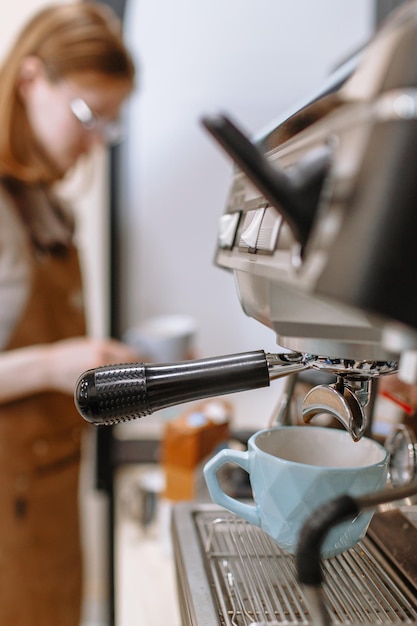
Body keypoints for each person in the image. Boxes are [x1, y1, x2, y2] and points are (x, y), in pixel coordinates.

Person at [0, 3, 138, 624]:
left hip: (49, 503)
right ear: (31, 82)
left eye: (108, 126)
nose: (93, 144)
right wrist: (56, 364)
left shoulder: (43, 205)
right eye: (87, 115)